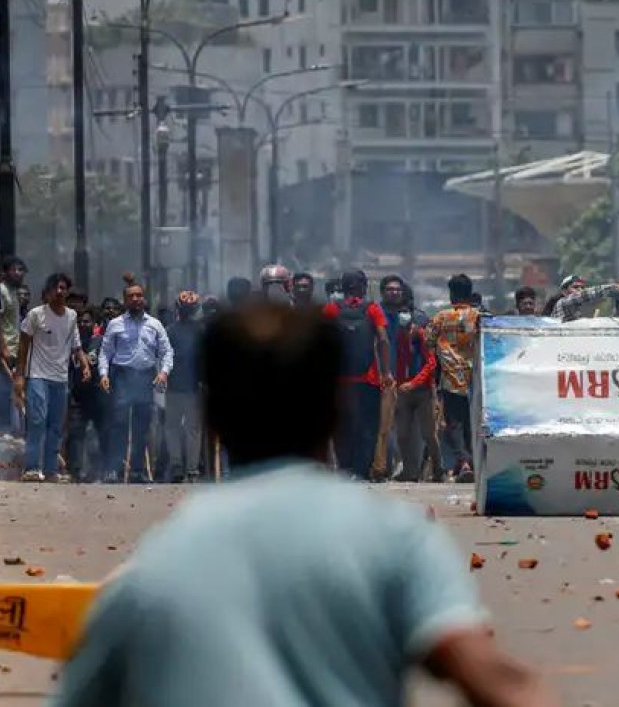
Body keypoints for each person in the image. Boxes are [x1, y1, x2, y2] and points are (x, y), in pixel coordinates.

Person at [53, 304, 562, 707]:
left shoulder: (156, 562)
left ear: (214, 420)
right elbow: (499, 684)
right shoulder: (393, 536)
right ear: (335, 412)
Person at [98, 276, 174, 484]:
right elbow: (105, 352)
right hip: (122, 377)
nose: (136, 299)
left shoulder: (155, 325)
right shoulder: (115, 325)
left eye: (139, 295)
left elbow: (167, 351)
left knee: (142, 427)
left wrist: (164, 372)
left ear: (144, 299)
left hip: (145, 378)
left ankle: (137, 472)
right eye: (131, 296)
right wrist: (103, 374)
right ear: (125, 300)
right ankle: (114, 470)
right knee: (119, 425)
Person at [16, 273, 91, 482]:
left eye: (63, 288)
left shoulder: (72, 316)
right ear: (48, 292)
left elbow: (77, 345)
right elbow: (23, 346)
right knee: (38, 421)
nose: (60, 292)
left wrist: (84, 363)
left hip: (60, 379)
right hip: (37, 376)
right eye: (56, 288)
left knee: (56, 425)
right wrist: (19, 377)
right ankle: (31, 468)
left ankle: (50, 471)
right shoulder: (36, 315)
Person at [322, 270, 394, 480]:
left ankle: (345, 469)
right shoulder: (372, 309)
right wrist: (386, 371)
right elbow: (382, 339)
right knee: (367, 427)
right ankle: (361, 471)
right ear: (362, 286)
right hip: (368, 380)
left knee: (342, 427)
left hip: (339, 382)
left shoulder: (331, 309)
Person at [382, 276, 437, 482]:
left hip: (418, 385)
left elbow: (430, 357)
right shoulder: (380, 316)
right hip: (391, 381)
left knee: (423, 433)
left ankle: (426, 470)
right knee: (395, 430)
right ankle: (399, 468)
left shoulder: (420, 321)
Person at [428, 275, 480, 483]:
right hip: (476, 378)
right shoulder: (479, 317)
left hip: (450, 379)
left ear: (451, 294)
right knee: (472, 423)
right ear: (469, 293)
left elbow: (428, 341)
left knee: (454, 423)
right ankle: (471, 463)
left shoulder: (440, 317)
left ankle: (464, 461)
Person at [160, 291, 206, 483]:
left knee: (177, 428)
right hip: (182, 387)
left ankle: (183, 467)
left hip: (187, 387)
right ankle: (187, 469)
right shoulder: (198, 331)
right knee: (189, 429)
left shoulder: (171, 330)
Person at [65, 306, 107, 483]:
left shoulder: (102, 342)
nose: (83, 324)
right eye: (80, 322)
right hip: (78, 397)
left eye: (87, 321)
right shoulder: (71, 344)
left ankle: (103, 470)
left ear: (94, 324)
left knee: (102, 434)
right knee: (75, 435)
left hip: (98, 397)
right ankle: (75, 472)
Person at [0, 255, 26, 437]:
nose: (19, 273)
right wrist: (3, 347)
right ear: (5, 272)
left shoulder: (13, 292)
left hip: (14, 350)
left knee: (14, 392)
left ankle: (15, 432)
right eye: (15, 270)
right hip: (5, 351)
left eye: (21, 270)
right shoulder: (1, 291)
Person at [548, 275, 619, 322]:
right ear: (565, 292)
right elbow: (587, 294)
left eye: (583, 287)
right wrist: (616, 287)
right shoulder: (562, 303)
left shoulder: (585, 309)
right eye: (575, 287)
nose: (580, 290)